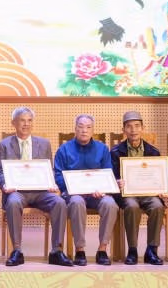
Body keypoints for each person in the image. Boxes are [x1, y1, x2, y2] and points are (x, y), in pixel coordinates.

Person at [0, 107, 72, 267]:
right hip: (17, 192)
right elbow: (0, 172)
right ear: (13, 123)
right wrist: (5, 185)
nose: (26, 124)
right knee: (13, 202)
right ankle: (17, 251)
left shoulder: (44, 144)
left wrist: (51, 183)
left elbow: (49, 169)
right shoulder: (5, 144)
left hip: (40, 192)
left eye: (29, 120)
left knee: (59, 202)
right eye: (22, 120)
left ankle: (56, 251)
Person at [53, 114, 119, 266]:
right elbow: (58, 175)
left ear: (93, 130)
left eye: (88, 127)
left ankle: (102, 249)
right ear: (75, 129)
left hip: (96, 194)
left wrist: (103, 189)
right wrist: (73, 189)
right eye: (81, 126)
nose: (84, 130)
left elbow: (108, 173)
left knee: (110, 204)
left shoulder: (102, 149)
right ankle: (80, 250)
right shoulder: (64, 149)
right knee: (76, 202)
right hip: (74, 194)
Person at [110, 110, 166, 265]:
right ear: (123, 130)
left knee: (157, 206)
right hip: (128, 194)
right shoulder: (115, 152)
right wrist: (117, 182)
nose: (133, 130)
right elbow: (111, 176)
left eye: (137, 126)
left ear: (143, 128)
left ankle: (152, 251)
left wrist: (162, 188)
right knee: (132, 206)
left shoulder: (153, 151)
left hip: (148, 193)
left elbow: (159, 176)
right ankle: (132, 250)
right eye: (129, 126)